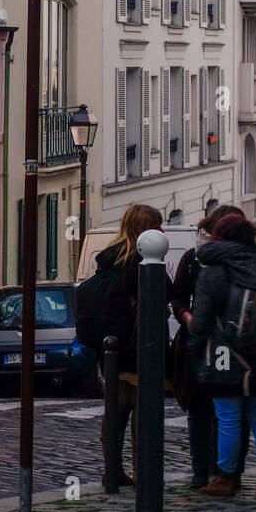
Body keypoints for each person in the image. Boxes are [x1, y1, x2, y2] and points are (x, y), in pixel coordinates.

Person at [189, 212, 256, 499]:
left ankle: (225, 478)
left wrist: (193, 349)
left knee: (227, 416)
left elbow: (201, 320)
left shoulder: (215, 268)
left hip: (225, 353)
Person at [170, 205, 251, 489]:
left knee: (229, 413)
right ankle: (201, 471)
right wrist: (188, 318)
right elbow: (178, 298)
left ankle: (227, 472)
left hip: (231, 346)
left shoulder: (244, 260)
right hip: (200, 343)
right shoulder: (193, 259)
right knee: (200, 409)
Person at [93, 203, 169, 486]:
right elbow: (165, 293)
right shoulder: (140, 260)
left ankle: (112, 469)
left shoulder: (107, 259)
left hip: (112, 348)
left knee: (115, 412)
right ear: (144, 230)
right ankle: (143, 471)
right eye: (156, 226)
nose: (161, 231)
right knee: (143, 411)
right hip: (139, 346)